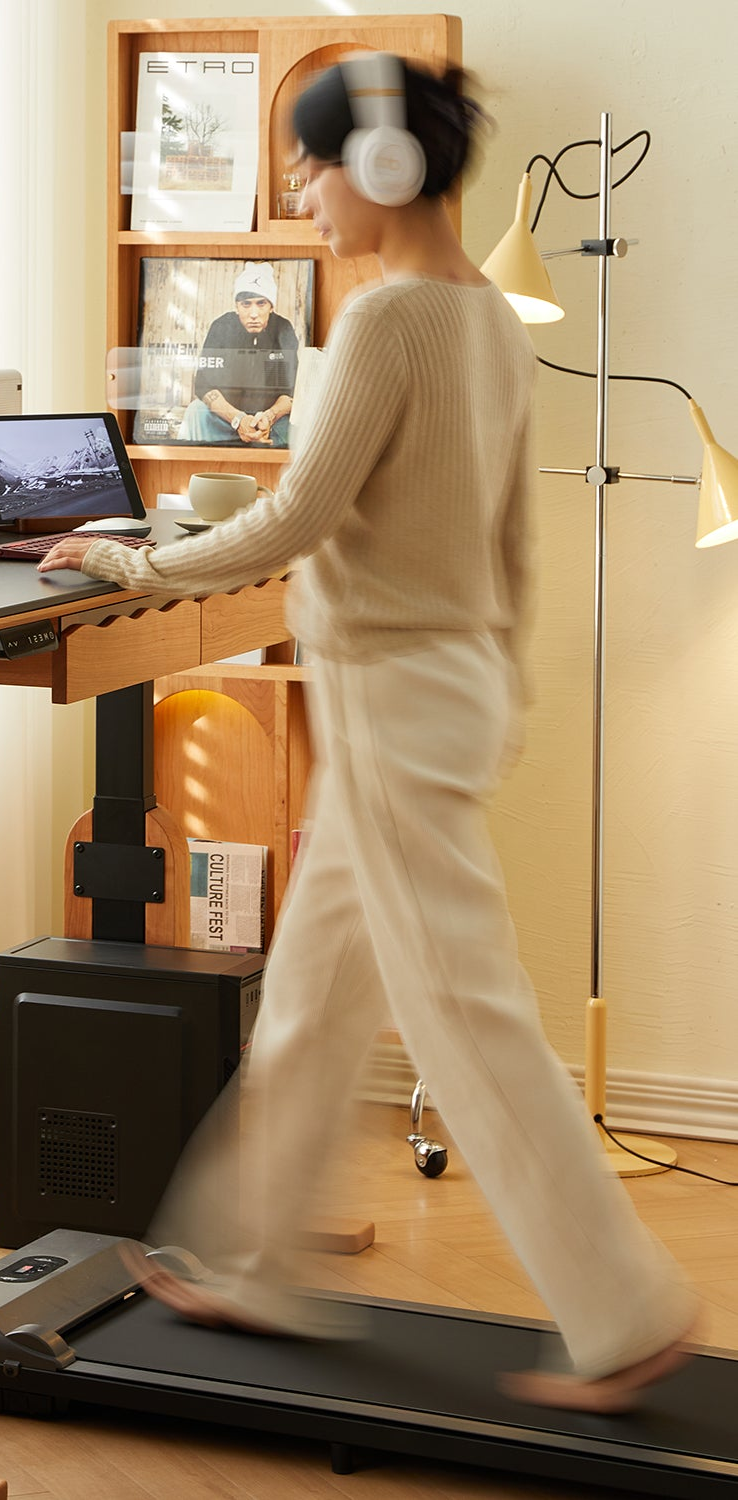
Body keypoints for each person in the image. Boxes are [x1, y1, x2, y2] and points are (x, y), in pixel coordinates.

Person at [38, 56, 698, 1414]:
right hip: (440, 689)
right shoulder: (492, 320)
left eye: (311, 166)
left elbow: (291, 523)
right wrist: (498, 687)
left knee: (465, 1014)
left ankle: (628, 1311)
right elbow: (515, 541)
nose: (300, 194)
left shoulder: (387, 322)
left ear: (383, 172)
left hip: (393, 699)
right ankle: (249, 1257)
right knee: (318, 997)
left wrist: (125, 565)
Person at [176, 261, 298, 446]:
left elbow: (291, 390)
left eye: (261, 304)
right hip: (225, 419)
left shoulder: (283, 328)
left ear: (271, 306)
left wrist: (269, 418)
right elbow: (204, 384)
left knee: (302, 419)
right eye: (246, 304)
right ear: (237, 306)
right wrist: (238, 419)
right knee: (195, 410)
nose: (254, 313)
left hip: (269, 420)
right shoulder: (221, 327)